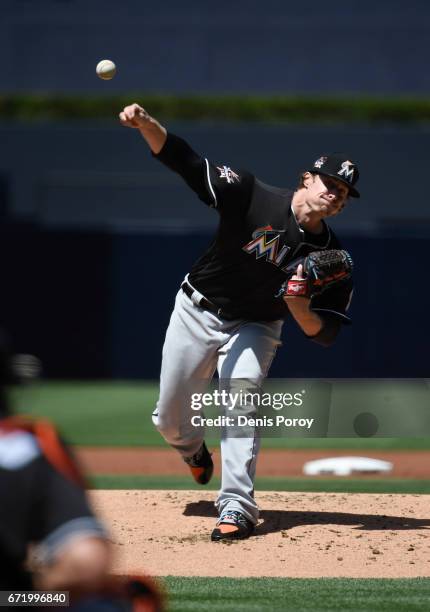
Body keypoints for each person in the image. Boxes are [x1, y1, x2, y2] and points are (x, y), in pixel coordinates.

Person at [119, 103, 359, 541]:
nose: (337, 192)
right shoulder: (252, 194)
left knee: (240, 400)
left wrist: (299, 304)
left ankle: (237, 507)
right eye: (331, 181)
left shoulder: (331, 260)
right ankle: (192, 450)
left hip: (257, 325)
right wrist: (147, 125)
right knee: (170, 419)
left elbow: (325, 335)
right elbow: (187, 161)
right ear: (307, 178)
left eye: (345, 191)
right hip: (198, 307)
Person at [0, 331, 163, 611]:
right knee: (119, 601)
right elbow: (86, 561)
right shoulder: (25, 448)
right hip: (9, 598)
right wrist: (28, 596)